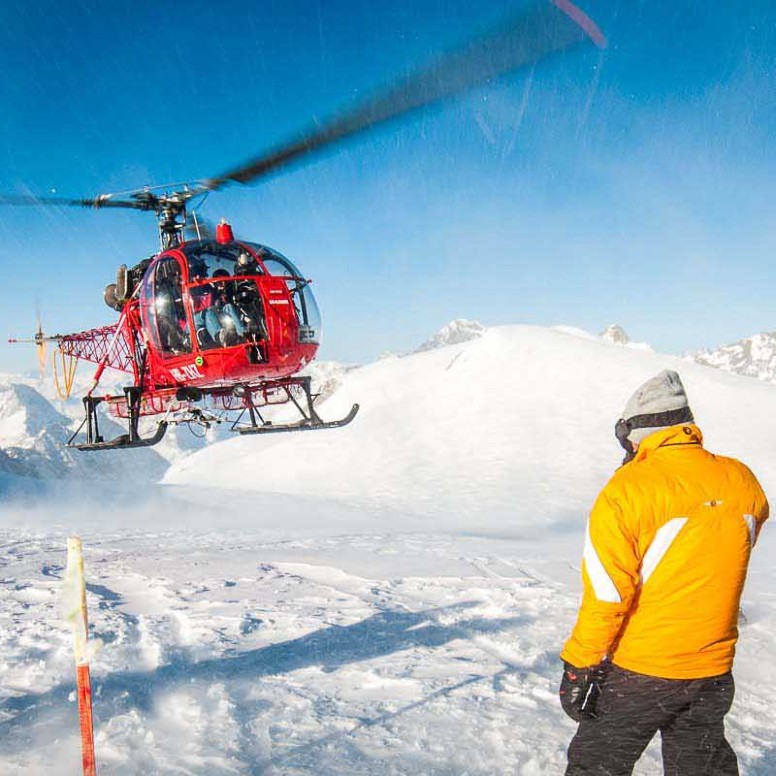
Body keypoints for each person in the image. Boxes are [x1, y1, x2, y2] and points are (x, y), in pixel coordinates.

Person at [560, 369, 769, 776]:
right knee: (701, 766)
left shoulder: (628, 489)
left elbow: (609, 594)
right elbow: (732, 550)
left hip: (642, 671)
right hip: (712, 671)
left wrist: (579, 665)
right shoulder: (742, 479)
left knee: (596, 766)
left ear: (635, 432)